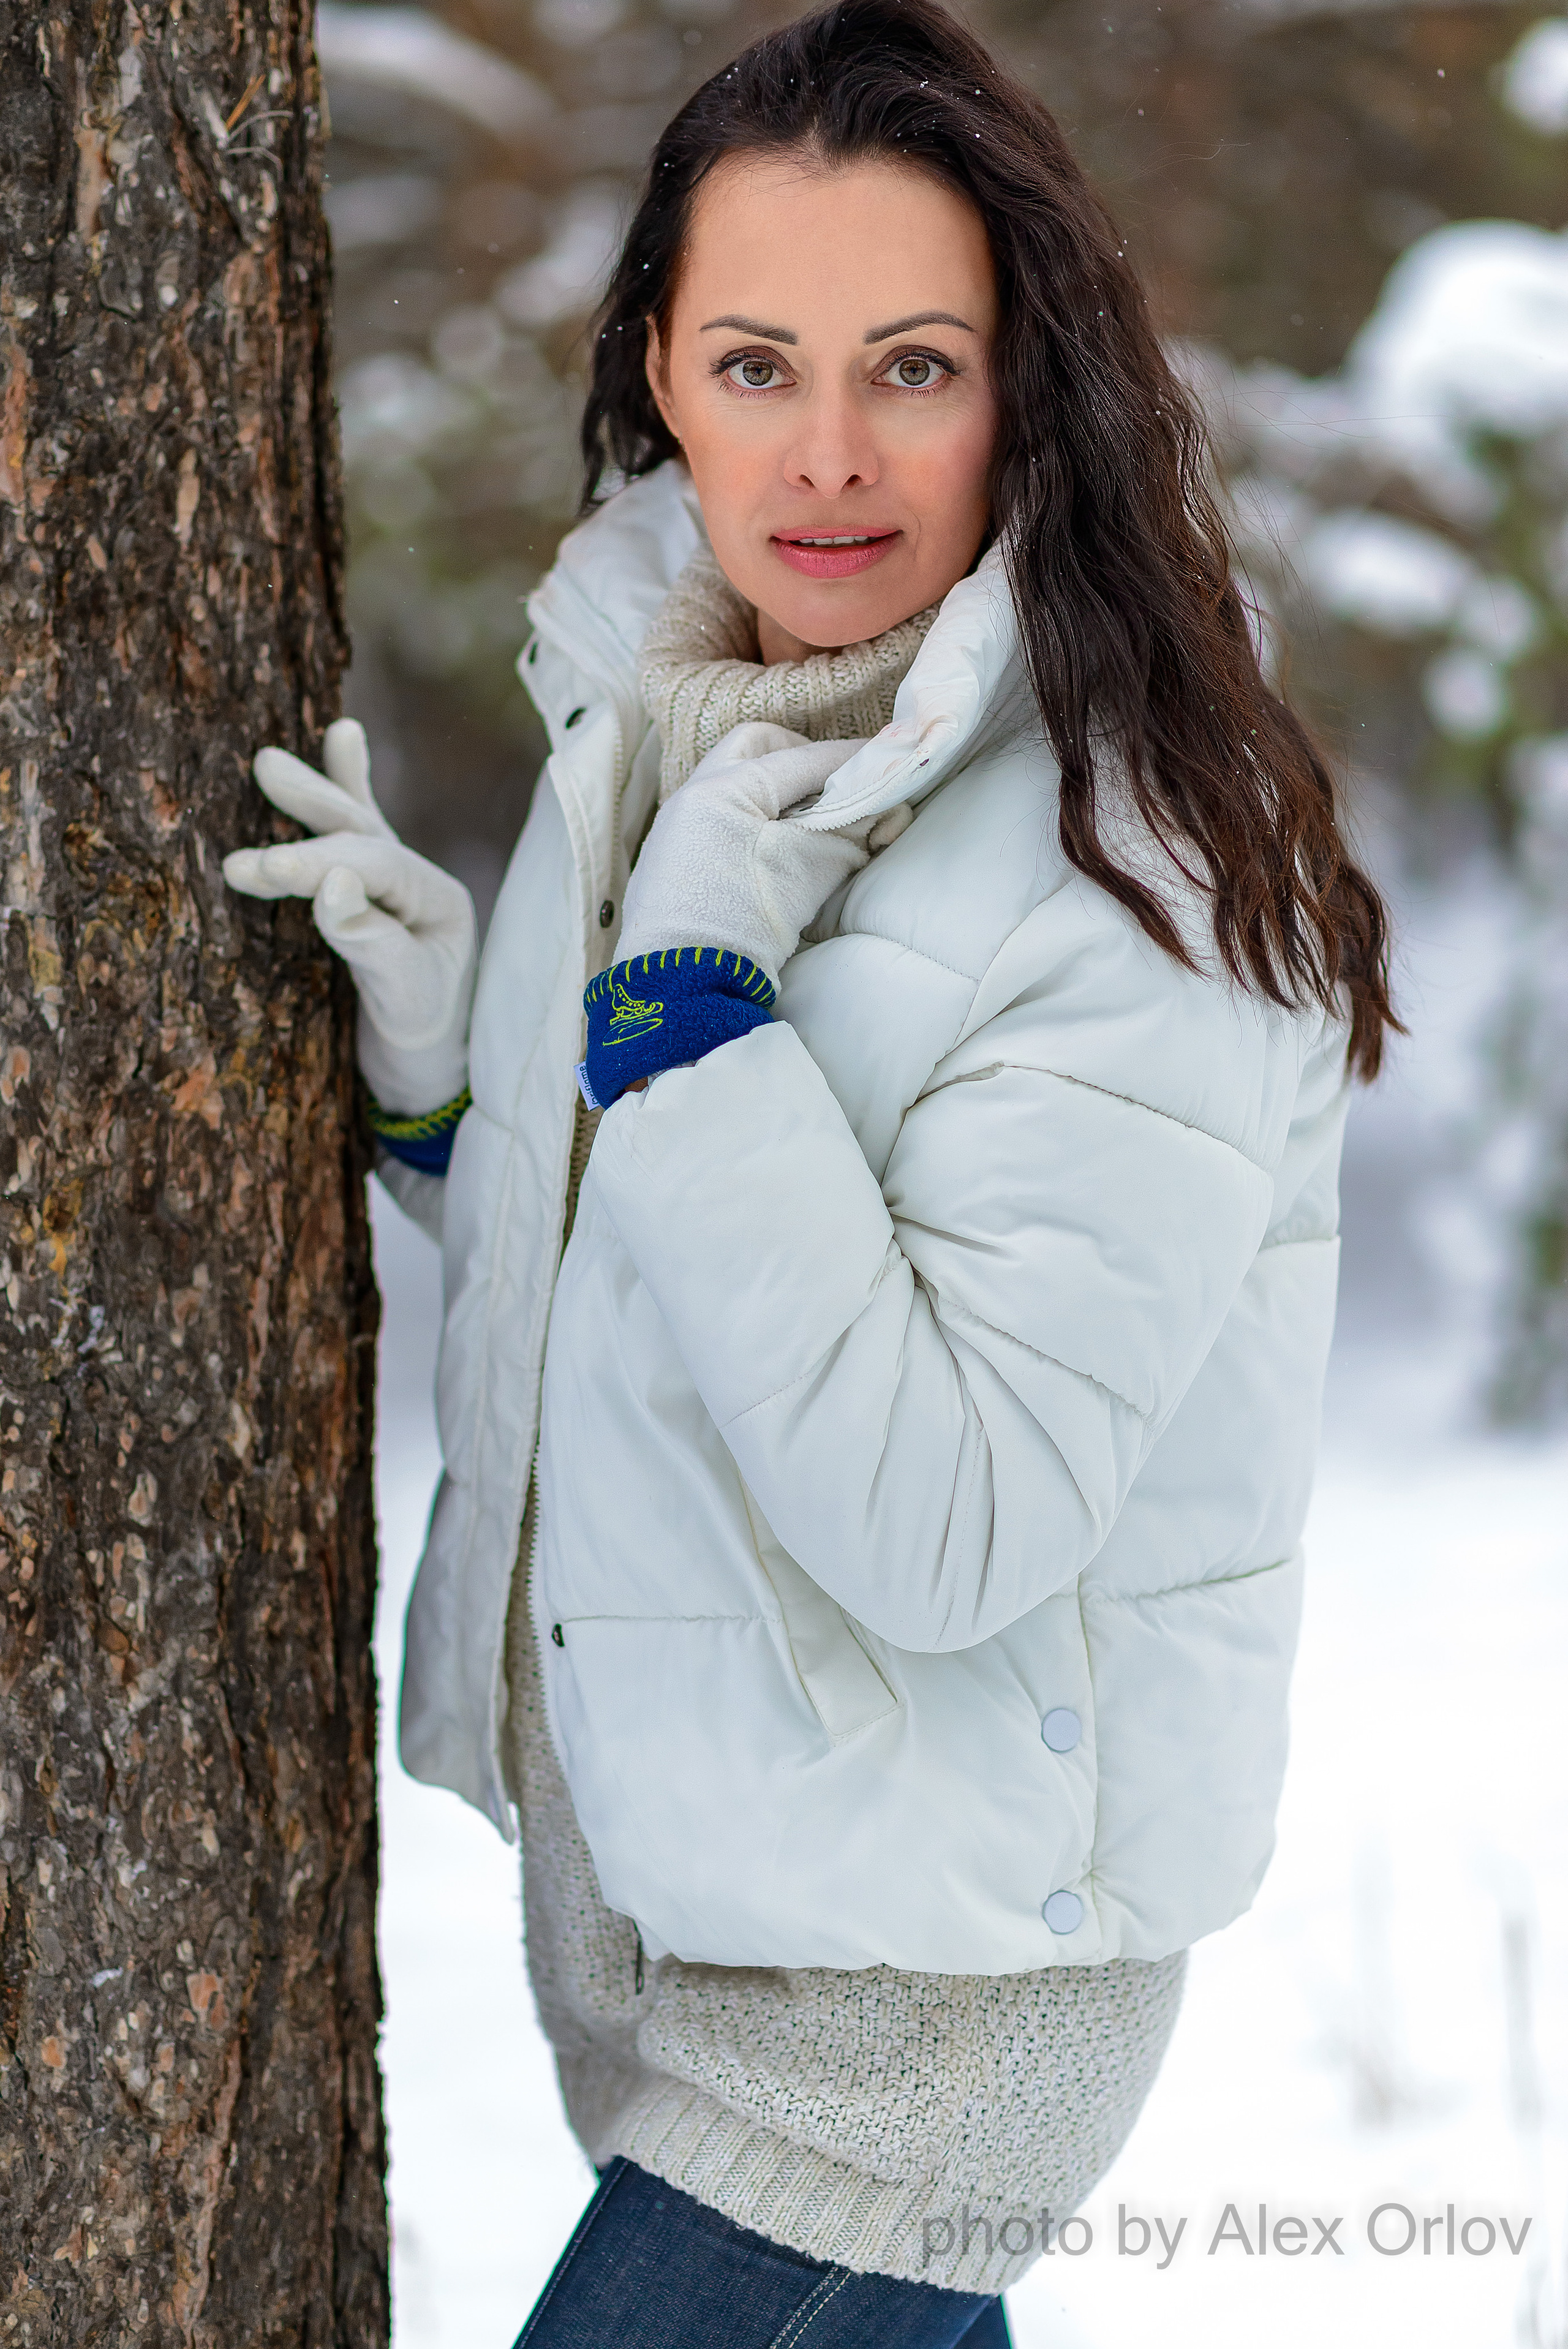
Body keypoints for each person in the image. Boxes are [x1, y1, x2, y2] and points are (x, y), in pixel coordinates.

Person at [224, 1, 1396, 2339]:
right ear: (658, 363)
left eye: (915, 367)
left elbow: (946, 1508)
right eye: (759, 363)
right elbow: (729, 1302)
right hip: (722, 1915)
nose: (831, 456)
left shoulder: (1134, 871)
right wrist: (474, 1073)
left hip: (917, 2017)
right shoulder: (679, 712)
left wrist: (676, 1018)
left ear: (1028, 384)